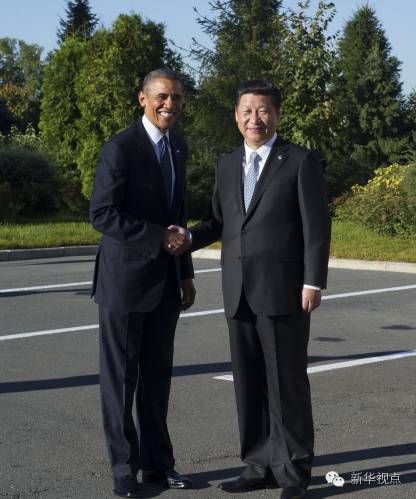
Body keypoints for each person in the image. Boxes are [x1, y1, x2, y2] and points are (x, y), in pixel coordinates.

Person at [168, 79, 331, 499]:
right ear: (236, 116)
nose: (254, 118)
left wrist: (313, 281)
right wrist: (189, 238)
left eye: (262, 110)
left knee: (287, 386)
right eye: (246, 111)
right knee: (249, 383)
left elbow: (317, 227)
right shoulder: (227, 164)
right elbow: (219, 222)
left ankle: (293, 473)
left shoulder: (299, 161)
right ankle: (259, 465)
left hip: (284, 291)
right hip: (238, 290)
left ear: (277, 114)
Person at [89, 68, 195, 498]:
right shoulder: (120, 148)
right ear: (143, 99)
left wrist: (185, 273)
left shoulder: (178, 147)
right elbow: (102, 214)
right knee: (121, 382)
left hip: (165, 282)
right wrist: (158, 237)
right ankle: (123, 470)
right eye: (162, 97)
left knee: (157, 379)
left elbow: (178, 214)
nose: (170, 105)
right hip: (124, 285)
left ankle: (157, 464)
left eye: (177, 98)